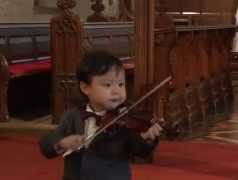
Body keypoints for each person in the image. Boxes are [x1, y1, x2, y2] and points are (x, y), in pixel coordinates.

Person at [39, 50, 163, 180]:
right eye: (108, 85)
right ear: (85, 88)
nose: (116, 91)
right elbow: (46, 145)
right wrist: (61, 143)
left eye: (121, 84)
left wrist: (146, 138)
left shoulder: (125, 121)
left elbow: (140, 152)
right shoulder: (72, 116)